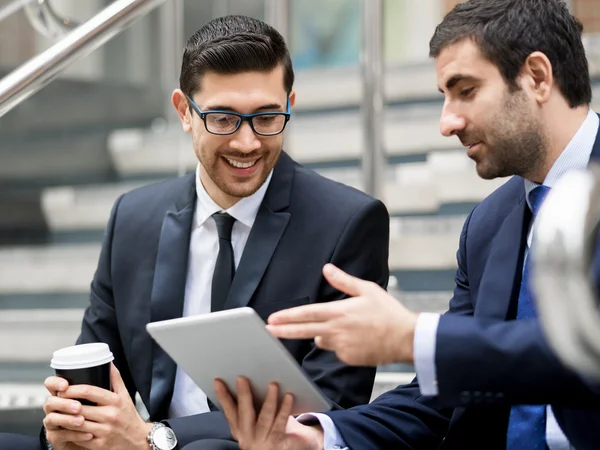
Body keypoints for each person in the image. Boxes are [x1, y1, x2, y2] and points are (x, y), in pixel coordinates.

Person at [202, 1, 600, 449]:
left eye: (465, 90)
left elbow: (585, 356)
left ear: (537, 77)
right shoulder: (487, 225)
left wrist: (415, 336)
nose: (447, 123)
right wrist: (316, 437)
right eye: (444, 97)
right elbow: (444, 397)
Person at [0, 15, 390, 450]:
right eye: (223, 119)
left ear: (290, 104)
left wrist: (152, 437)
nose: (247, 143)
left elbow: (331, 406)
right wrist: (71, 428)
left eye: (266, 117)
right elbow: (97, 366)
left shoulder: (349, 222)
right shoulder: (133, 216)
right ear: (185, 112)